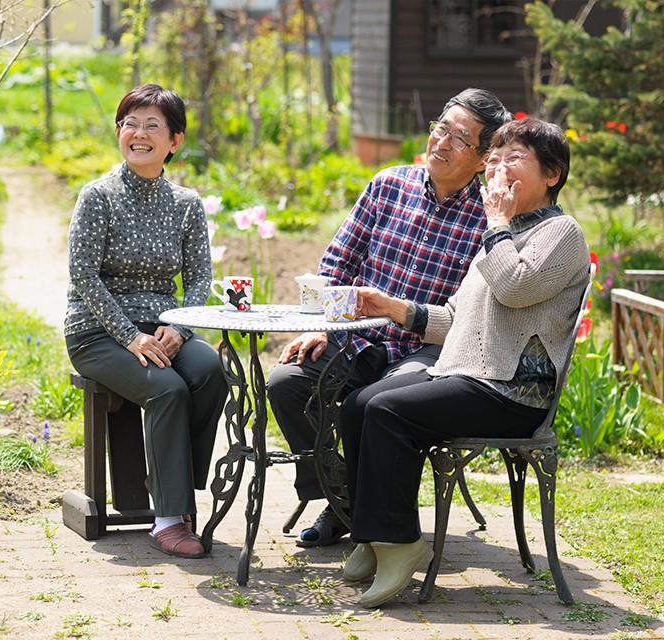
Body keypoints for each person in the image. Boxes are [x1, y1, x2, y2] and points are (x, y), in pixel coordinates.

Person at [338, 117, 590, 608]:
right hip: (471, 378)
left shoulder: (561, 233)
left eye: (512, 160)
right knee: (360, 403)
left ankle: (402, 544)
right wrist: (394, 307)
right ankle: (372, 534)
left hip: (513, 392)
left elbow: (516, 287)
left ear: (552, 174)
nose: (497, 170)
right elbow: (455, 318)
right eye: (492, 161)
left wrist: (495, 228)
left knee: (389, 412)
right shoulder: (504, 235)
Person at [266, 88, 513, 547]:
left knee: (374, 405)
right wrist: (319, 324)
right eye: (441, 128)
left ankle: (355, 513)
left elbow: (473, 314)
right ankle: (340, 495)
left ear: (481, 160)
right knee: (286, 383)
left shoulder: (489, 221)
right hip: (355, 339)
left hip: (425, 351)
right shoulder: (387, 185)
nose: (441, 142)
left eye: (460, 138)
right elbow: (336, 263)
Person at [64, 84, 227, 559]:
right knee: (168, 389)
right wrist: (130, 336)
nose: (138, 133)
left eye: (152, 125)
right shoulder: (97, 196)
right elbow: (83, 275)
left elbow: (200, 279)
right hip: (96, 330)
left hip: (164, 328)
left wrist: (180, 330)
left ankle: (173, 484)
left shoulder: (186, 204)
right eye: (130, 123)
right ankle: (170, 518)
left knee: (212, 373)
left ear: (174, 141)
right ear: (120, 133)